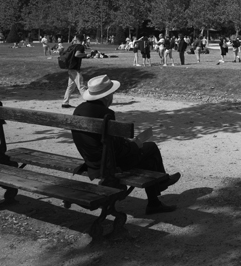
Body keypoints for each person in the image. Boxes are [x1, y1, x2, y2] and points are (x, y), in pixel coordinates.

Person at [71, 75, 181, 214]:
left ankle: (155, 200)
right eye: (112, 94)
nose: (112, 96)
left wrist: (127, 144)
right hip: (107, 164)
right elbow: (116, 149)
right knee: (150, 148)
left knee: (145, 155)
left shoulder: (79, 110)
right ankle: (160, 185)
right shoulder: (106, 114)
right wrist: (134, 146)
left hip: (91, 161)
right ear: (106, 96)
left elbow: (106, 142)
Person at [62, 34, 89, 109]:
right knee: (81, 86)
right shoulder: (80, 46)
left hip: (70, 68)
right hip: (74, 69)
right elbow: (77, 54)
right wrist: (85, 55)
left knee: (70, 87)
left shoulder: (72, 46)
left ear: (76, 39)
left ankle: (65, 103)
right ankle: (89, 102)